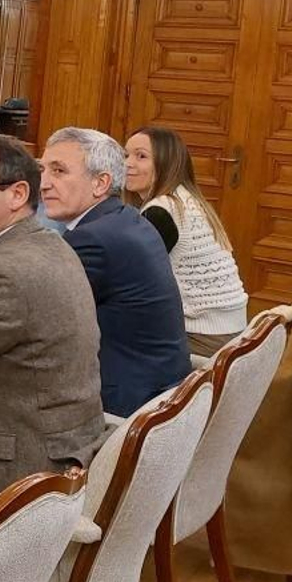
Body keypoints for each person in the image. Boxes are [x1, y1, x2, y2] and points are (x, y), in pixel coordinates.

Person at [0, 134, 105, 488]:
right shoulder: (45, 243)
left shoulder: (5, 275)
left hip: (23, 470)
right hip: (68, 443)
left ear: (17, 194)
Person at [40, 127, 191, 417]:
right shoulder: (125, 218)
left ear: (100, 183)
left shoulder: (92, 238)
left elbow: (35, 314)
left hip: (127, 406)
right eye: (42, 170)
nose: (44, 183)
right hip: (163, 387)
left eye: (58, 171)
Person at [124, 125, 249, 357]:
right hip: (229, 327)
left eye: (141, 156)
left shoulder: (161, 211)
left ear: (166, 163)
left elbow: (130, 280)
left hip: (203, 336)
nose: (127, 164)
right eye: (126, 155)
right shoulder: (185, 198)